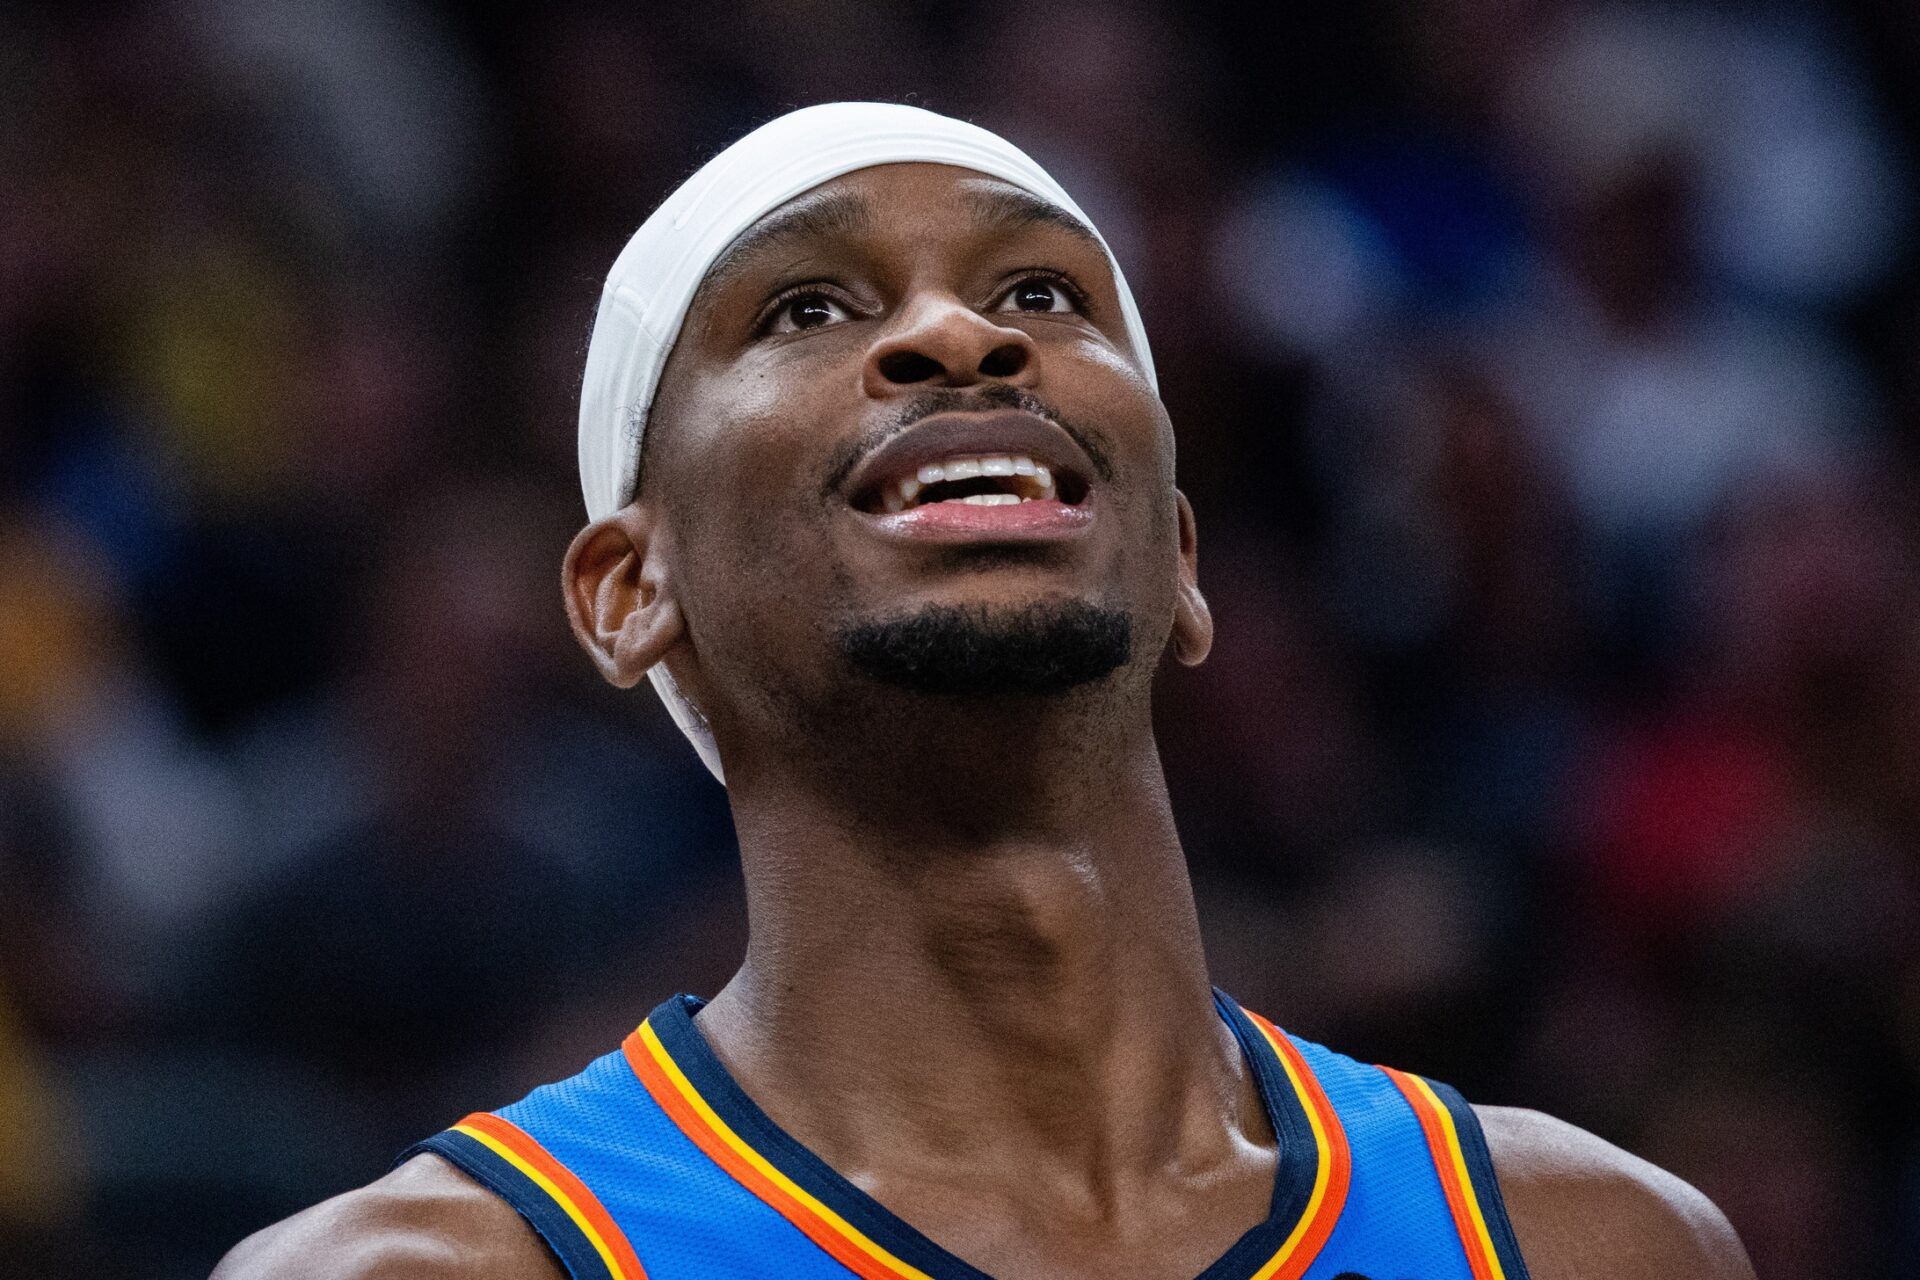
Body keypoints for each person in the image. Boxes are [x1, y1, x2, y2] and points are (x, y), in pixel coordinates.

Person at [213, 103, 1755, 1280]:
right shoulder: (430, 1266)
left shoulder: (1591, 1241)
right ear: (632, 593)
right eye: (806, 308)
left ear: (1181, 553)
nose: (960, 334)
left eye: (1041, 292)